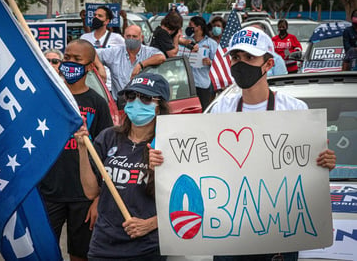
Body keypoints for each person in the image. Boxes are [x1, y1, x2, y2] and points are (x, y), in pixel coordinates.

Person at [152, 26, 337, 261]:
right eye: (236, 58)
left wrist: (324, 162)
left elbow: (309, 167)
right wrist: (163, 159)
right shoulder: (221, 108)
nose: (240, 64)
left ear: (268, 64)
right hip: (230, 233)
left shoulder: (295, 109)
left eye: (250, 57)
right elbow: (196, 159)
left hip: (279, 234)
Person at [74, 72, 170, 260]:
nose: (136, 102)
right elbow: (90, 192)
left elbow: (187, 202)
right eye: (131, 96)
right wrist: (82, 150)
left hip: (147, 248)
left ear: (159, 106)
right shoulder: (108, 137)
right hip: (103, 246)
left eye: (145, 98)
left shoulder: (170, 144)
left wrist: (151, 224)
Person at [39, 39, 113, 261]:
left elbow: (107, 153)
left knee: (80, 254)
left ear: (90, 66)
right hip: (49, 191)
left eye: (77, 59)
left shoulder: (98, 103)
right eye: (67, 58)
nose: (69, 63)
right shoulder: (49, 98)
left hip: (84, 196)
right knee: (43, 251)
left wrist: (99, 199)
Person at [97, 25, 166, 105]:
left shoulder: (149, 52)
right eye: (128, 36)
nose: (131, 39)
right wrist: (100, 67)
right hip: (121, 104)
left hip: (144, 103)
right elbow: (91, 53)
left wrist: (141, 65)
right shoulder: (114, 53)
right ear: (124, 37)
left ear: (141, 38)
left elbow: (161, 57)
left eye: (134, 36)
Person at [81, 6, 125, 91]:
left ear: (107, 21)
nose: (96, 17)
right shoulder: (84, 38)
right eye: (95, 15)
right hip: (88, 85)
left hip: (109, 86)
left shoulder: (117, 38)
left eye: (100, 16)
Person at [184, 16, 218, 110]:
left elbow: (217, 63)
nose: (188, 27)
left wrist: (209, 62)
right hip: (186, 83)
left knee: (203, 109)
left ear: (198, 27)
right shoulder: (186, 41)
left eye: (191, 25)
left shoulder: (211, 43)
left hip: (202, 83)